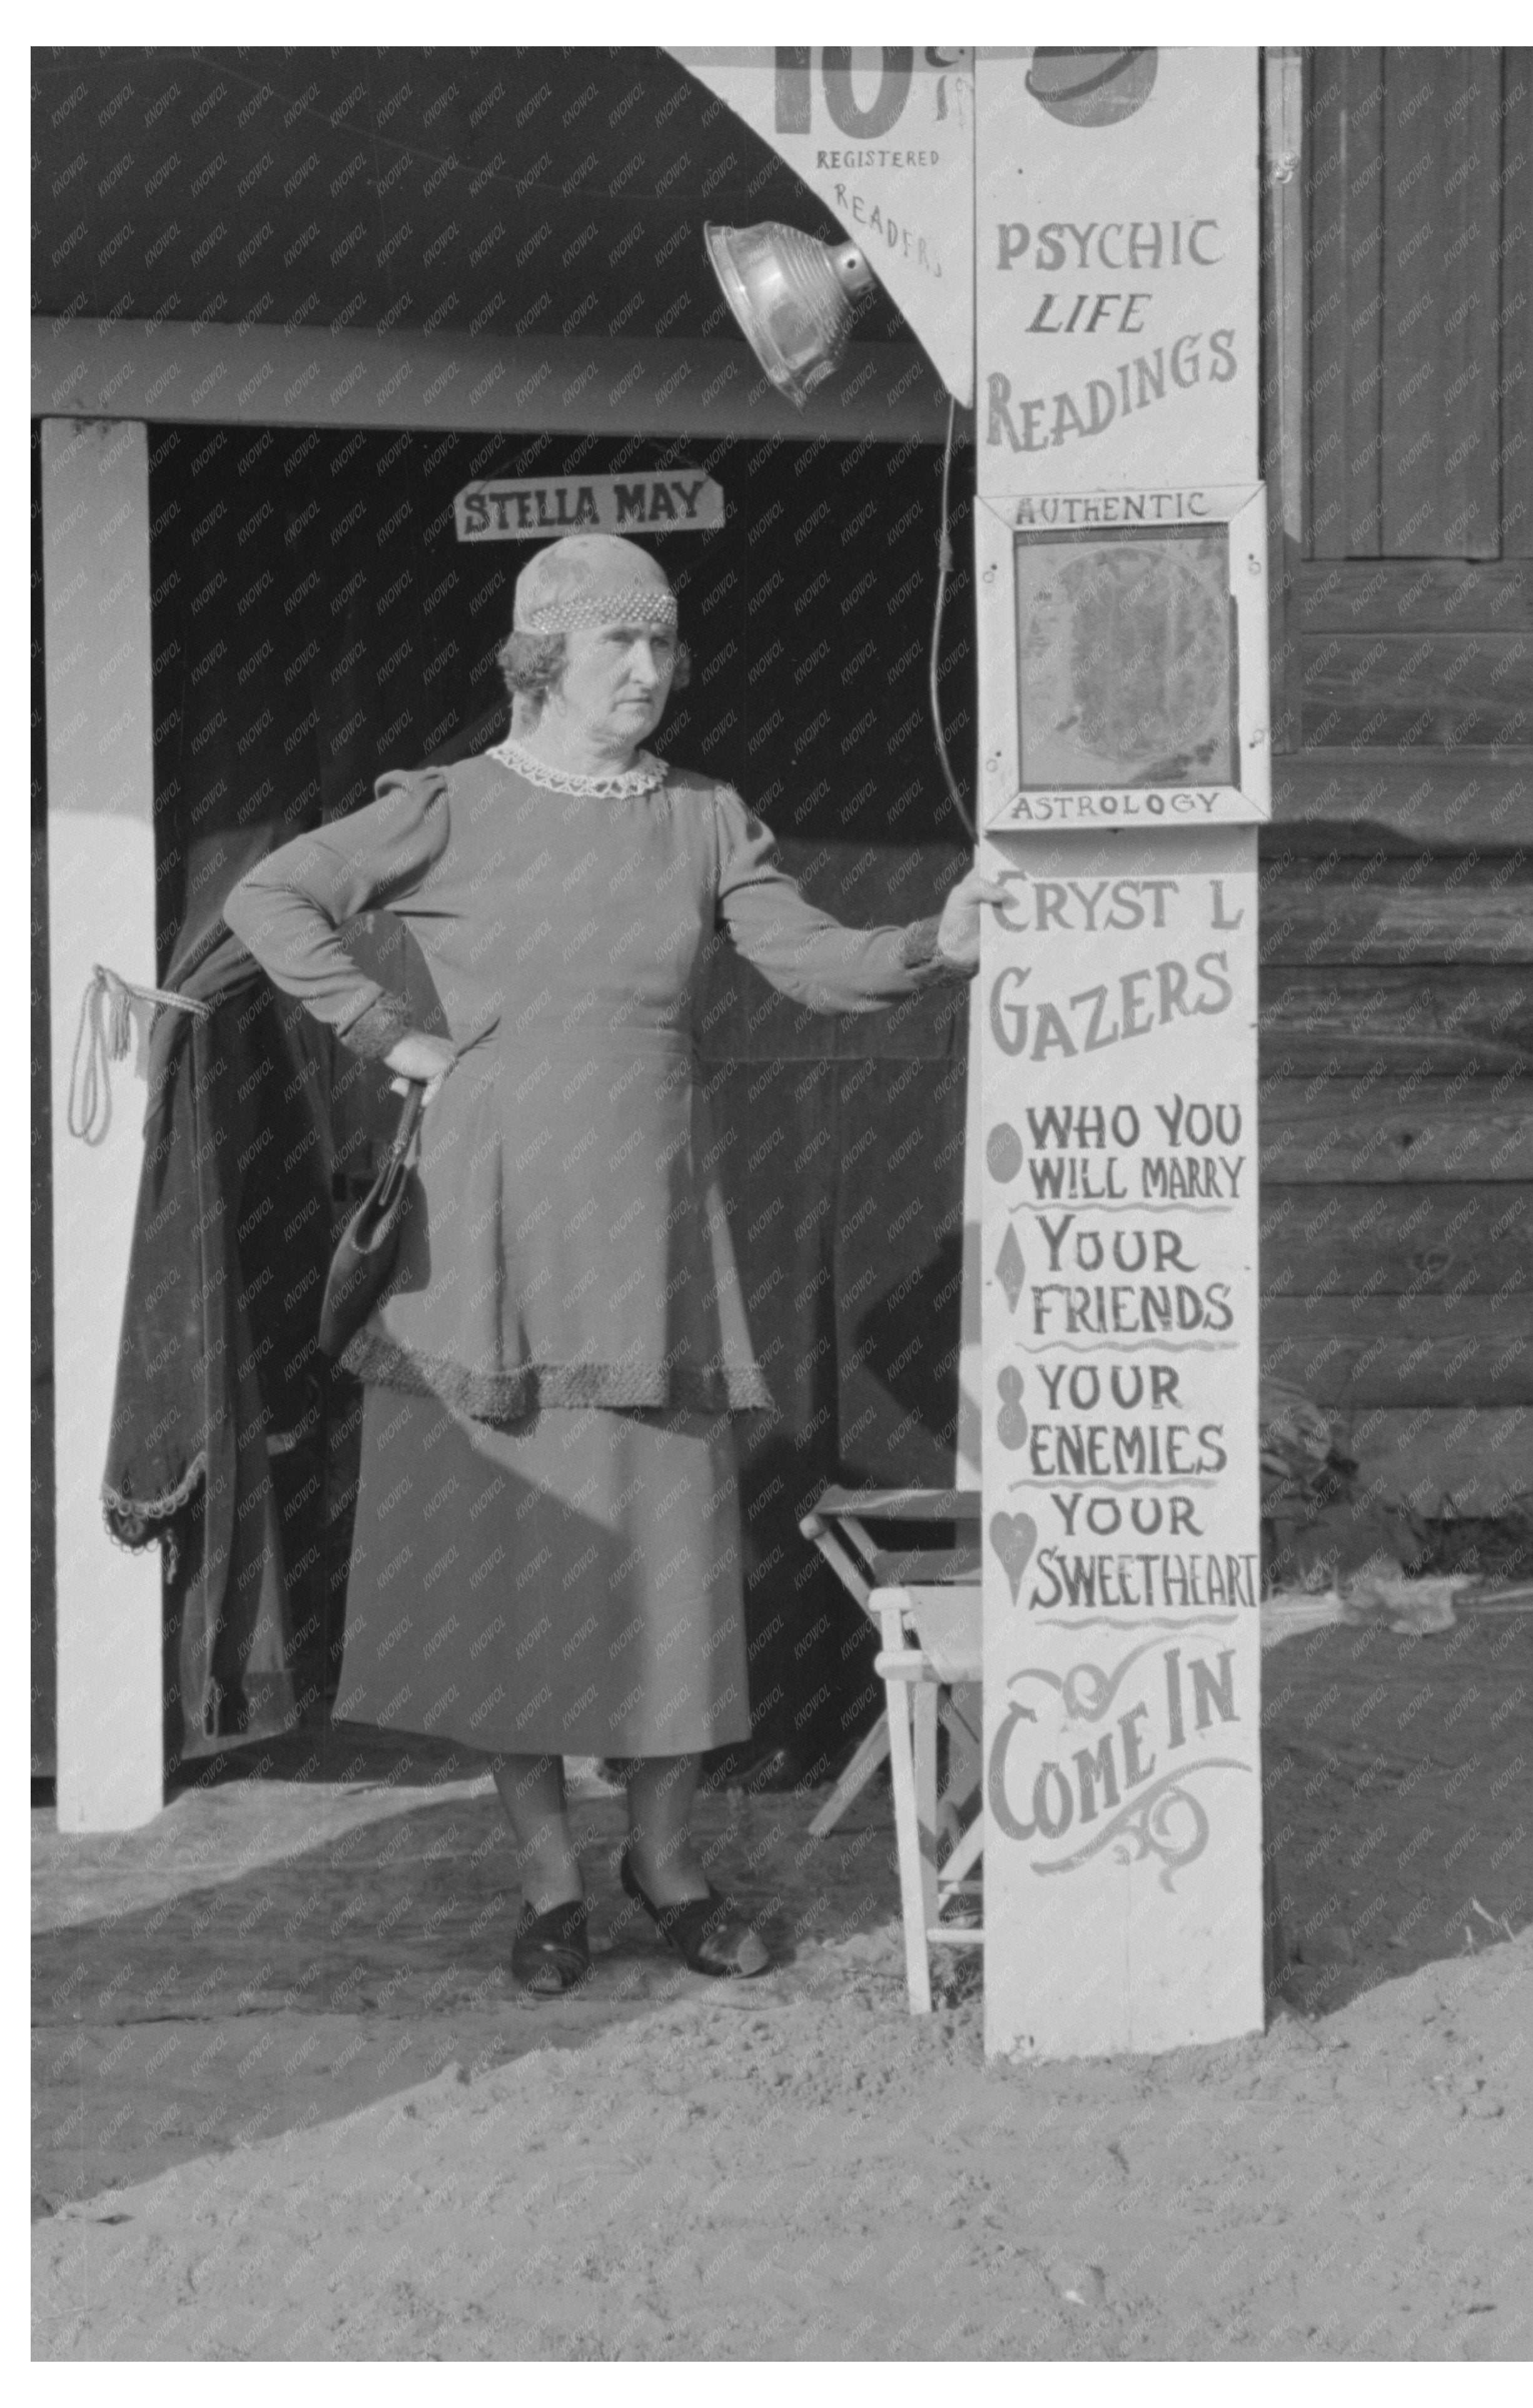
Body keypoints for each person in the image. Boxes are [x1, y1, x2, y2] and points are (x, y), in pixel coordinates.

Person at [223, 533, 999, 1993]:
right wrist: (395, 1038)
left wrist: (933, 940)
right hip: (487, 1254)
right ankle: (544, 1881)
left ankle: (668, 1864)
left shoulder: (703, 819)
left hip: (650, 1259)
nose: (647, 672)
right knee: (510, 1576)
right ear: (539, 660)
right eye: (615, 646)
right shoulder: (446, 808)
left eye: (662, 646)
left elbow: (810, 960)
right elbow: (271, 898)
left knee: (664, 1580)